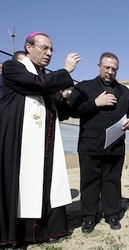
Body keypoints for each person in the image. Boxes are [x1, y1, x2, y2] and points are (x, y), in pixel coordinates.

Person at [0, 32, 80, 248]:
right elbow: (34, 83)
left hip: (46, 142)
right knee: (21, 183)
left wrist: (62, 97)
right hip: (19, 140)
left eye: (52, 49)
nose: (49, 53)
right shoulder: (12, 67)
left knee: (47, 183)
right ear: (29, 47)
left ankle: (45, 232)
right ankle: (16, 236)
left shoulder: (46, 78)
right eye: (45, 48)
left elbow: (62, 113)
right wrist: (66, 72)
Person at [69, 52, 129, 234]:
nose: (110, 72)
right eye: (107, 68)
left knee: (112, 181)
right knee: (90, 182)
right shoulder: (85, 87)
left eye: (114, 69)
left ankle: (112, 214)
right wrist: (95, 103)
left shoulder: (125, 92)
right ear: (98, 66)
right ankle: (89, 217)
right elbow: (72, 110)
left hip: (115, 146)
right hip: (90, 145)